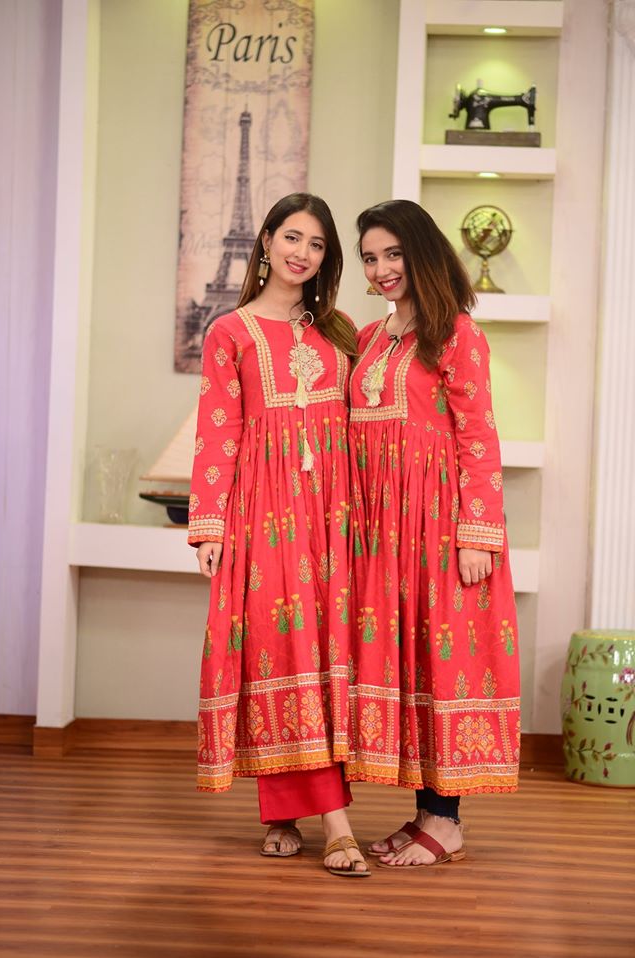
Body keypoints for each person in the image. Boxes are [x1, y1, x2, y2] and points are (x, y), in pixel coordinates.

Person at [188, 192, 370, 877]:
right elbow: (218, 433)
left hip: (335, 513)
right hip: (263, 515)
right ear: (264, 242)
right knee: (277, 652)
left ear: (327, 258)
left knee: (323, 655)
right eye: (291, 237)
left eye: (317, 244)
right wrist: (209, 525)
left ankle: (282, 812)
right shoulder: (229, 332)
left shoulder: (342, 329)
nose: (302, 252)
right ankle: (337, 825)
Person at [346, 199, 520, 868]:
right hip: (383, 535)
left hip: (441, 526)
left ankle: (446, 821)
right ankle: (425, 815)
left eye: (393, 253)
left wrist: (478, 533)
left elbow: (478, 436)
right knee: (412, 665)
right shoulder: (369, 337)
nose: (383, 267)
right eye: (370, 257)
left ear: (421, 253)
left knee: (443, 663)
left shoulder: (456, 332)